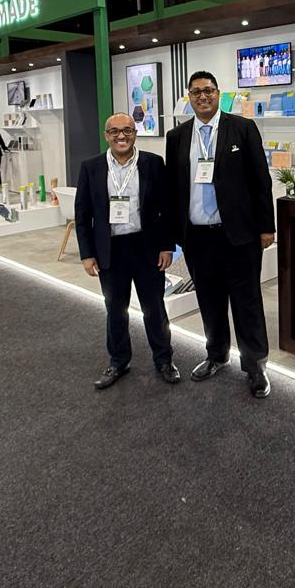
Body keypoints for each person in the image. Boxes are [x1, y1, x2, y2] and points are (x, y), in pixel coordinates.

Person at [165, 70, 275, 399]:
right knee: (209, 300)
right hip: (197, 237)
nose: (203, 96)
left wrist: (266, 226)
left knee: (247, 302)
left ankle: (255, 365)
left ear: (218, 94)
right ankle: (216, 355)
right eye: (196, 92)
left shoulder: (242, 128)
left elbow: (261, 179)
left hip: (238, 235)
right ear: (189, 96)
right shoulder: (177, 136)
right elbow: (174, 187)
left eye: (209, 91)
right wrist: (174, 234)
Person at [75, 112, 178, 389]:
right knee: (115, 309)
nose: (121, 136)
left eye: (127, 130)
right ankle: (119, 361)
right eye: (115, 131)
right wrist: (87, 254)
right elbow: (82, 214)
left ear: (135, 133)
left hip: (146, 247)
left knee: (154, 308)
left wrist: (167, 246)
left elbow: (166, 209)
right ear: (106, 136)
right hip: (110, 250)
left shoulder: (153, 163)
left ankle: (164, 360)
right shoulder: (91, 167)